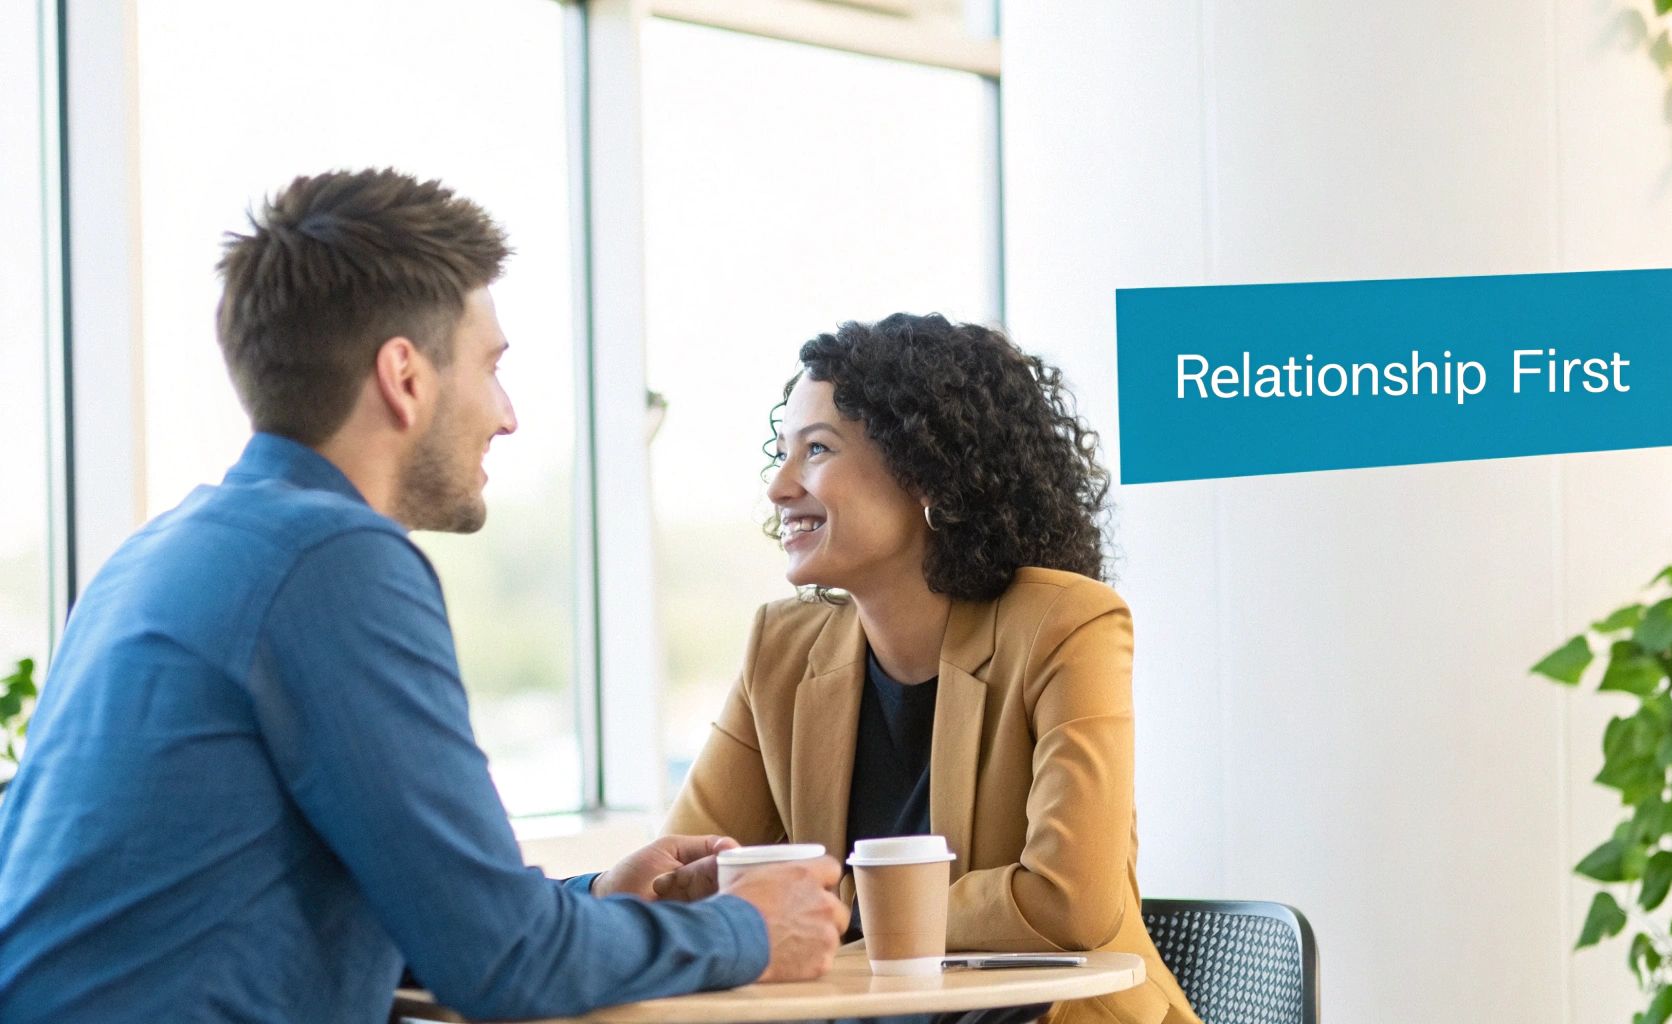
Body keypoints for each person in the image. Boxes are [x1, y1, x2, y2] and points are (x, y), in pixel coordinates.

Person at [0, 168, 847, 1023]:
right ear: (404, 376)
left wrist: (600, 901)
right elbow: (502, 962)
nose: (507, 414)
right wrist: (748, 929)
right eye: (491, 367)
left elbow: (417, 921)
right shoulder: (333, 560)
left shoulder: (160, 554)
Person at [660, 314, 1201, 1024]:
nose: (780, 487)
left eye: (817, 449)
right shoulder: (781, 651)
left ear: (925, 472)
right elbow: (684, 883)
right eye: (782, 454)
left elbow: (1070, 903)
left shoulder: (1067, 625)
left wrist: (833, 908)